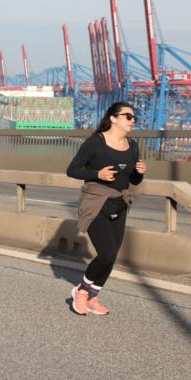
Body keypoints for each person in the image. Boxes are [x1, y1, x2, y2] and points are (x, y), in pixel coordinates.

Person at [66, 102, 146, 315]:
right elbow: (72, 170)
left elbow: (134, 180)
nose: (132, 121)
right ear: (113, 118)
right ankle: (82, 291)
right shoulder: (96, 143)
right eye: (128, 116)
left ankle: (93, 297)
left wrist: (140, 172)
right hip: (96, 203)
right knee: (107, 254)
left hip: (120, 203)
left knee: (112, 256)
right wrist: (97, 174)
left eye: (134, 117)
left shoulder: (133, 145)